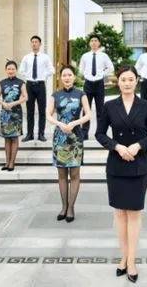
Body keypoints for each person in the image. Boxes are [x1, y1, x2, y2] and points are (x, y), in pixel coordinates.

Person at [95, 66, 147, 283]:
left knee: (134, 214)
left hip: (138, 164)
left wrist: (138, 145)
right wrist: (117, 146)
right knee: (119, 214)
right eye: (123, 79)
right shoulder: (109, 105)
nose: (127, 83)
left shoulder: (146, 105)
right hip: (116, 164)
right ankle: (123, 257)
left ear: (136, 81)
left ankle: (131, 260)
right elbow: (100, 133)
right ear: (118, 81)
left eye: (131, 79)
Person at [46, 65, 92, 223]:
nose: (67, 77)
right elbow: (48, 114)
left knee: (74, 174)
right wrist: (59, 124)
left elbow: (89, 114)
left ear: (74, 77)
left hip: (76, 136)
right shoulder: (55, 95)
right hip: (60, 137)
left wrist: (74, 123)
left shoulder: (81, 94)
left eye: (69, 75)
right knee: (61, 174)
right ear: (60, 77)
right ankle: (64, 206)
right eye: (64, 75)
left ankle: (71, 207)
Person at [19, 35, 55, 142]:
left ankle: (41, 134)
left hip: (40, 85)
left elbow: (52, 70)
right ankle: (29, 134)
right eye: (32, 42)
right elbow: (21, 70)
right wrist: (28, 75)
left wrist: (43, 75)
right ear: (31, 44)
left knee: (42, 111)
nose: (34, 43)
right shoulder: (26, 57)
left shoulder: (45, 57)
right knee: (29, 111)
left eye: (36, 42)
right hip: (29, 85)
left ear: (40, 44)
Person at [79, 35, 114, 139]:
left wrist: (102, 73)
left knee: (100, 110)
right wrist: (86, 75)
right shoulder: (85, 56)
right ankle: (84, 133)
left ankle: (100, 133)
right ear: (89, 43)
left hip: (99, 84)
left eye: (96, 41)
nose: (94, 42)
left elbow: (111, 67)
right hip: (88, 84)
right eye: (92, 41)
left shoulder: (104, 56)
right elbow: (81, 69)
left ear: (99, 43)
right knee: (86, 109)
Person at [0, 60, 27, 171]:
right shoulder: (2, 82)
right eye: (9, 69)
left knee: (14, 137)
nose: (11, 71)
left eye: (13, 69)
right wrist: (3, 103)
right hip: (5, 113)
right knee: (7, 138)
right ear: (6, 70)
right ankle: (7, 162)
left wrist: (14, 103)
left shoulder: (21, 82)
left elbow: (25, 97)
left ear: (16, 70)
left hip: (16, 113)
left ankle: (12, 163)